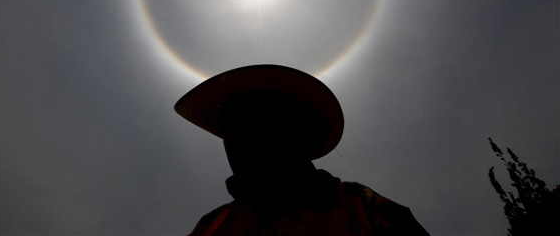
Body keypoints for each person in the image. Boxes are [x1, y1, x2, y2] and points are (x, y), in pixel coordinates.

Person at [175, 64, 430, 235]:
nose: (234, 138)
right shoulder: (214, 226)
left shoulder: (360, 206)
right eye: (227, 123)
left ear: (290, 130)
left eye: (251, 120)